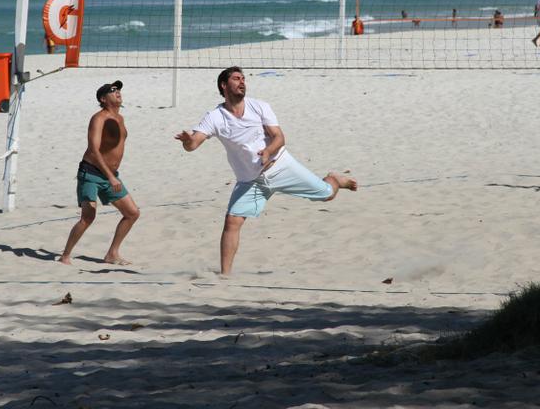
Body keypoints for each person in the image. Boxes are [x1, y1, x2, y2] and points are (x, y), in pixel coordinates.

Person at [175, 66, 358, 275]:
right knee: (232, 221)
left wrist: (268, 151)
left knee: (327, 194)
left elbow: (279, 137)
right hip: (250, 180)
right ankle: (225, 276)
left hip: (280, 166)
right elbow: (193, 144)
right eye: (236, 79)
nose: (242, 82)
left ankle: (334, 179)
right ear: (224, 86)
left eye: (244, 79)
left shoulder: (259, 106)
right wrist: (188, 141)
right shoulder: (215, 117)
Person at [59, 80, 140, 265]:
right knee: (88, 217)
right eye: (112, 90)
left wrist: (112, 175)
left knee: (132, 213)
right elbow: (94, 150)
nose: (118, 92)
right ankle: (65, 256)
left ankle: (112, 253)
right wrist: (110, 176)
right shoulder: (98, 118)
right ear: (103, 99)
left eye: (118, 89)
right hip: (91, 173)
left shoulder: (120, 118)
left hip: (110, 175)